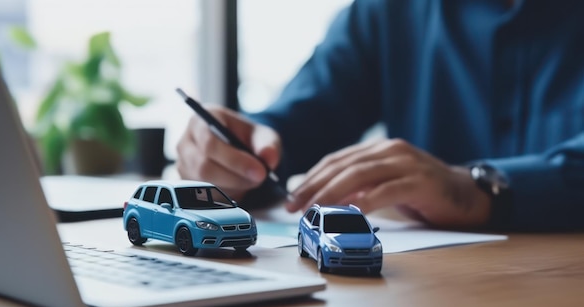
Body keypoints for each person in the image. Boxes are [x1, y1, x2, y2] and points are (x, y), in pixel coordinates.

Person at [176, 0, 584, 231]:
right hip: (433, 305)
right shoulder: (387, 12)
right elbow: (295, 126)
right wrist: (233, 153)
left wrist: (478, 190)